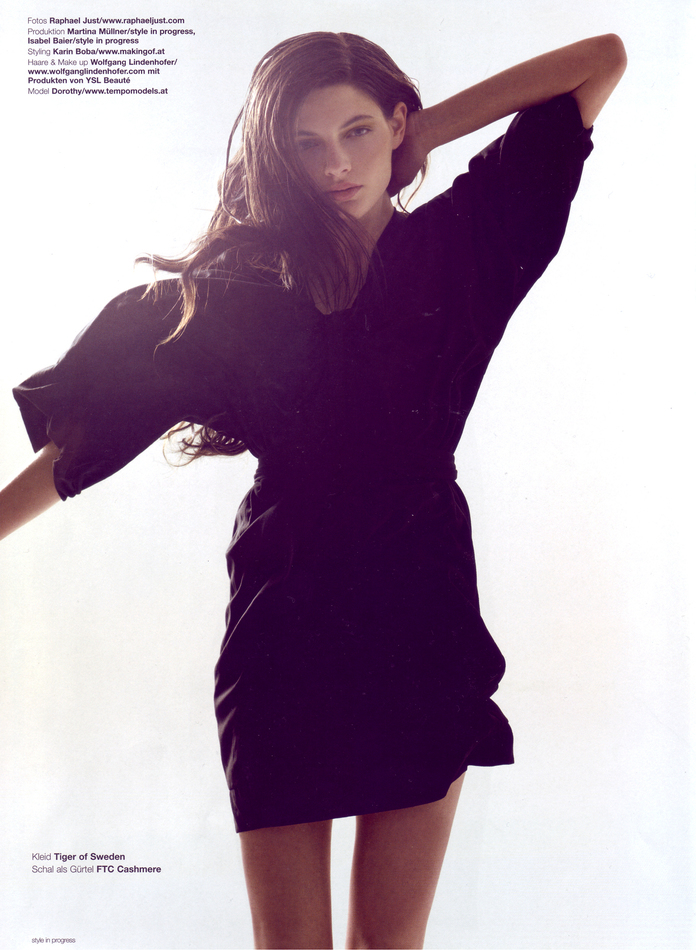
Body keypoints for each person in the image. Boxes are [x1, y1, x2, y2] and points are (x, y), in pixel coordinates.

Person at [1, 30, 626, 950]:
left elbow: (601, 58)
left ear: (396, 124)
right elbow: (81, 446)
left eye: (357, 132)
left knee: (387, 944)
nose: (336, 165)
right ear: (277, 156)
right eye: (306, 143)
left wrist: (424, 136)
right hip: (285, 629)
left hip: (422, 616)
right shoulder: (235, 302)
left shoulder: (464, 246)